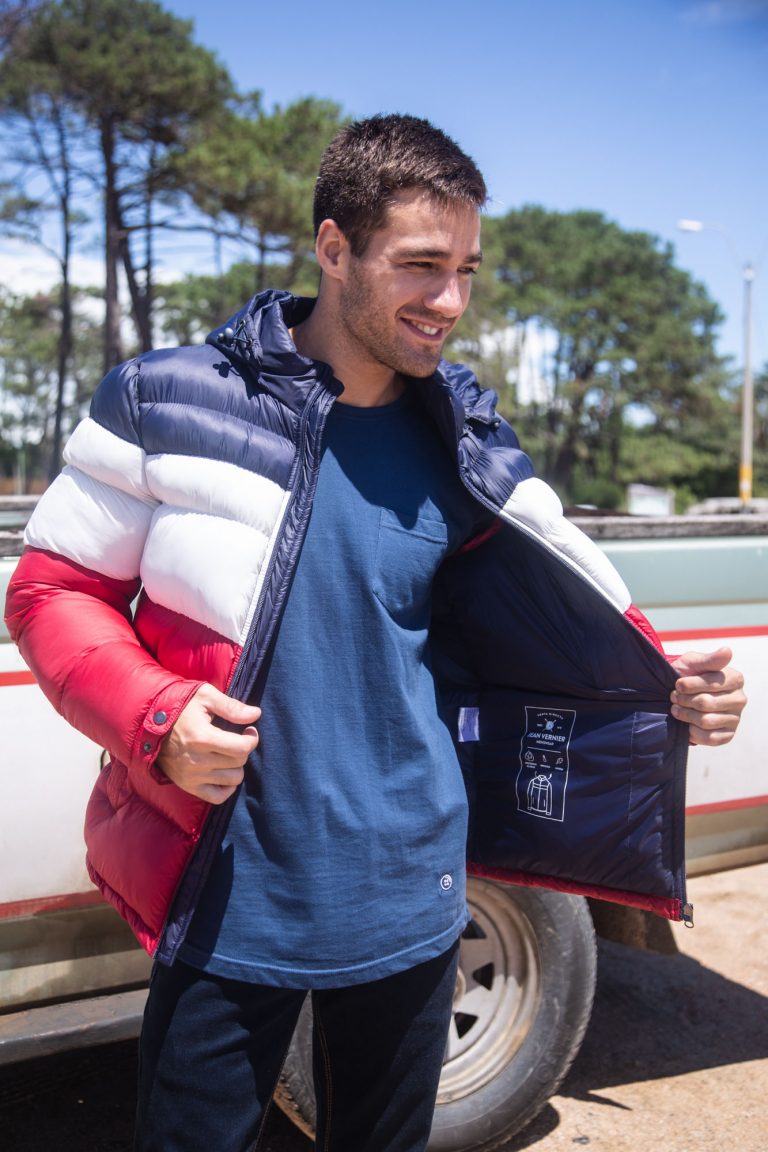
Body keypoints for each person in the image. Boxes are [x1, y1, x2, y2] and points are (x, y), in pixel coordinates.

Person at [4, 114, 746, 1152]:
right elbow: (51, 592)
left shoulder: (466, 437)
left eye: (468, 271)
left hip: (417, 899)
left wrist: (667, 684)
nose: (451, 301)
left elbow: (560, 600)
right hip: (226, 899)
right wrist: (156, 717)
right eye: (422, 265)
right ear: (334, 247)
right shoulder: (165, 401)